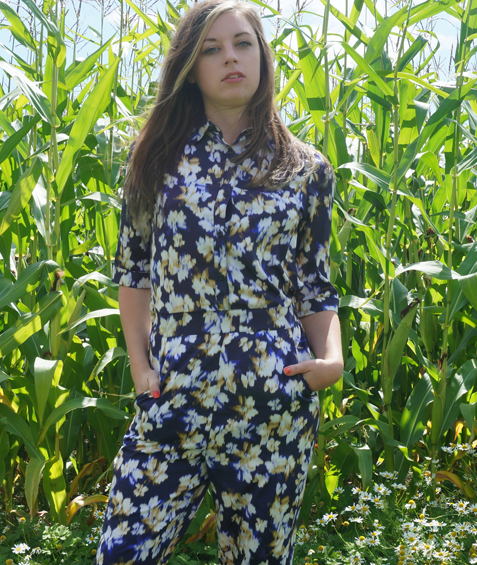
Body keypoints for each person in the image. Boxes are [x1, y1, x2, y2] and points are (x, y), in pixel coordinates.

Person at [95, 0, 343, 563]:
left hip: (272, 401)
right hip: (173, 394)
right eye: (211, 49)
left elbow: (313, 284)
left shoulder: (306, 169)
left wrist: (331, 358)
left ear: (262, 57)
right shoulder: (154, 159)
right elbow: (134, 271)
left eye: (242, 44)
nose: (230, 58)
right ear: (190, 68)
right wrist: (140, 368)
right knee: (123, 554)